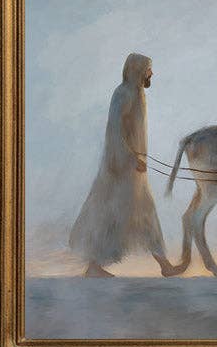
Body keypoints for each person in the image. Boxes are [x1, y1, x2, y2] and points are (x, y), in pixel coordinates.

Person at [69, 53, 179, 277]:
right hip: (119, 170)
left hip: (134, 171)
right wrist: (131, 158)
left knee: (146, 214)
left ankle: (164, 265)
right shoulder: (123, 94)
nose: (151, 73)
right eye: (148, 69)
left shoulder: (137, 94)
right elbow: (114, 131)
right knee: (114, 216)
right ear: (137, 70)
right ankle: (94, 267)